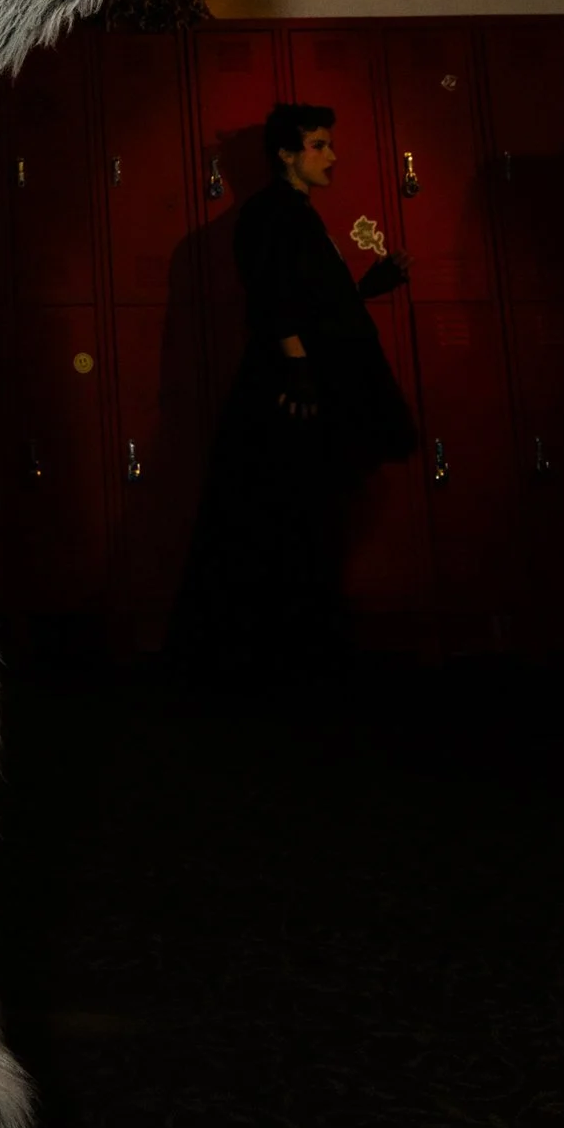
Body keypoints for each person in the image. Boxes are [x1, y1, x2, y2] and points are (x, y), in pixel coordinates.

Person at [179, 99, 415, 689]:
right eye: (318, 145)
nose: (331, 156)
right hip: (291, 393)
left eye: (329, 144)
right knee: (291, 515)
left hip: (309, 382)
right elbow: (272, 296)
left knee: (304, 514)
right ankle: (286, 655)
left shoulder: (296, 213)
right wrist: (298, 369)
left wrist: (366, 287)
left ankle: (299, 648)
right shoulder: (272, 213)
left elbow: (311, 298)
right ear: (286, 154)